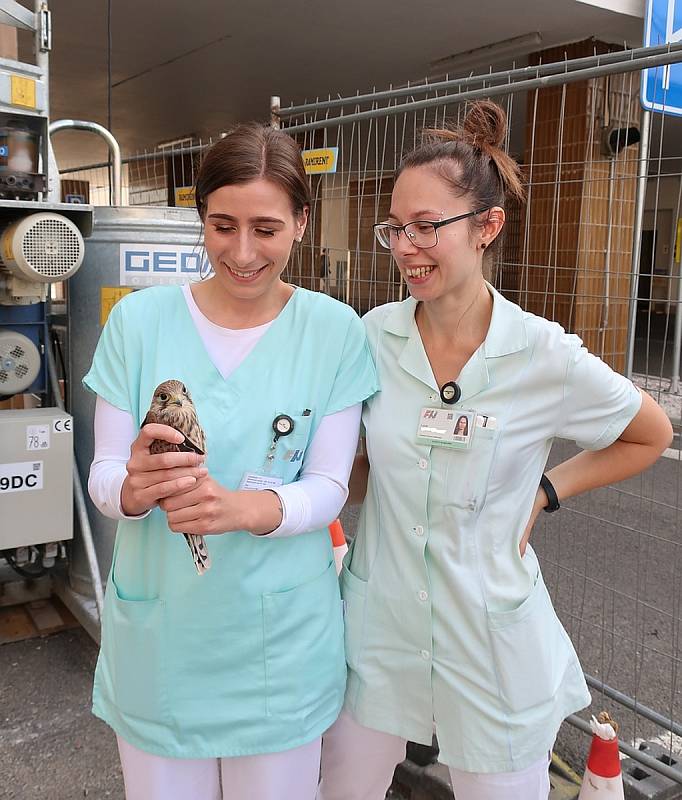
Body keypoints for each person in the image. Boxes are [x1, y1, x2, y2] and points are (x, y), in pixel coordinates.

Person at [317, 101, 673, 800]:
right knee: (341, 788)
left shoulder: (541, 353)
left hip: (489, 634)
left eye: (427, 227)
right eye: (395, 228)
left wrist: (547, 491)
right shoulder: (372, 337)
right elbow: (353, 472)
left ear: (486, 227)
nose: (405, 247)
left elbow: (650, 434)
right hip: (378, 622)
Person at [84, 122, 377, 800]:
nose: (242, 252)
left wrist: (242, 509)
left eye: (267, 229)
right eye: (223, 226)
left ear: (302, 224)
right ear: (202, 220)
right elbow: (103, 478)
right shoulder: (139, 323)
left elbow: (332, 484)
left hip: (279, 650)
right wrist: (132, 489)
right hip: (164, 644)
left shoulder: (333, 332)